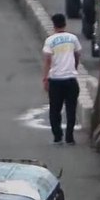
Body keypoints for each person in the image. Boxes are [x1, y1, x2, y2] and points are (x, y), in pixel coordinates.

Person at [41, 13, 82, 146]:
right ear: (65, 24)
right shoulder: (73, 38)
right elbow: (77, 55)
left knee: (55, 110)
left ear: (54, 25)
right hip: (70, 79)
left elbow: (48, 60)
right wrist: (74, 67)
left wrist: (45, 78)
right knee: (71, 109)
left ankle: (58, 137)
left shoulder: (50, 41)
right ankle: (69, 137)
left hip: (56, 80)